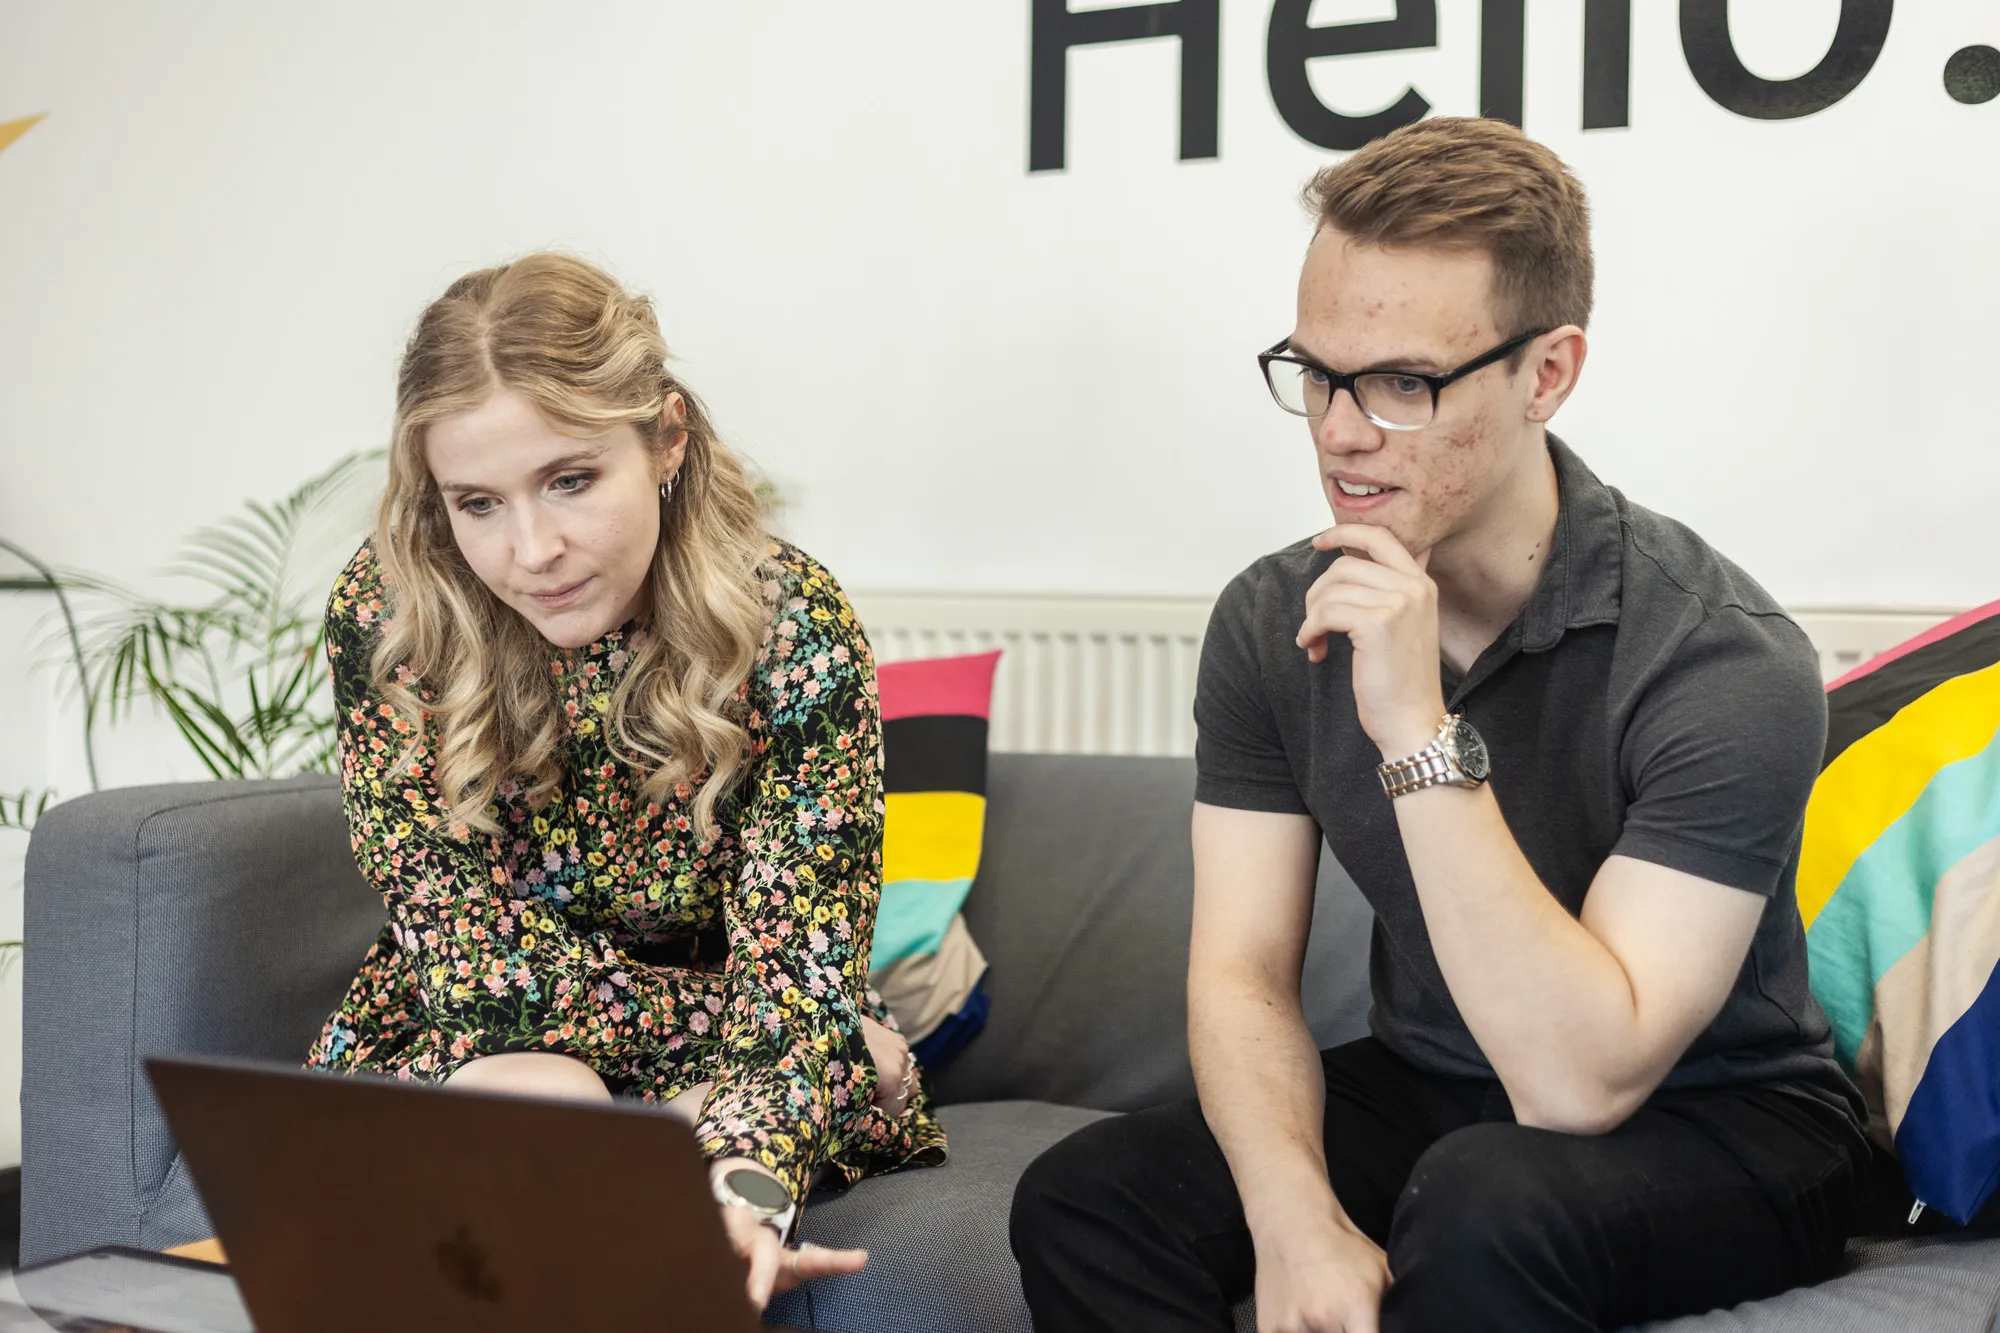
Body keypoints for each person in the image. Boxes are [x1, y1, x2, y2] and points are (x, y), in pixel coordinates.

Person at [1010, 117, 1868, 1332]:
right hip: (1434, 1085)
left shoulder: (1720, 655)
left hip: (1723, 1116)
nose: (1340, 430)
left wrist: (1415, 724)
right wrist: (1294, 1218)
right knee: (1090, 1197)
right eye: (1315, 371)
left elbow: (1580, 1079)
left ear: (1547, 373)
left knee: (1481, 1195)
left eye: (1404, 383)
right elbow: (1241, 971)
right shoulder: (1270, 618)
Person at [305, 252, 945, 1311]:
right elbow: (471, 960)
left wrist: (745, 1176)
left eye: (570, 479)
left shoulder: (794, 627)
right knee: (577, 1089)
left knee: (821, 1059)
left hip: (749, 1007)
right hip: (485, 1023)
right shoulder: (396, 613)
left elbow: (797, 974)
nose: (532, 550)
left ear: (666, 438)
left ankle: (657, 1131)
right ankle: (650, 1126)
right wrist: (771, 1050)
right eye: (477, 502)